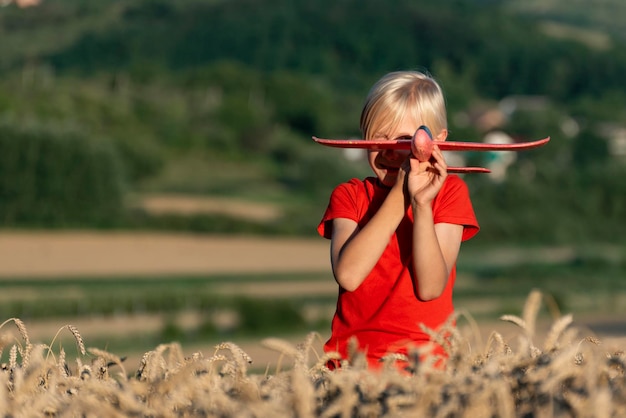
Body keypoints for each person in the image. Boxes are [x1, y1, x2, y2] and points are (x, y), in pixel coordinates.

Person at [317, 70, 479, 371]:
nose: (392, 151)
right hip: (351, 368)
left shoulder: (450, 193)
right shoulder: (350, 196)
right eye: (380, 138)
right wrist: (401, 194)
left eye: (406, 141)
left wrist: (420, 203)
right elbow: (349, 275)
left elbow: (430, 288)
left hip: (425, 368)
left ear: (436, 141)